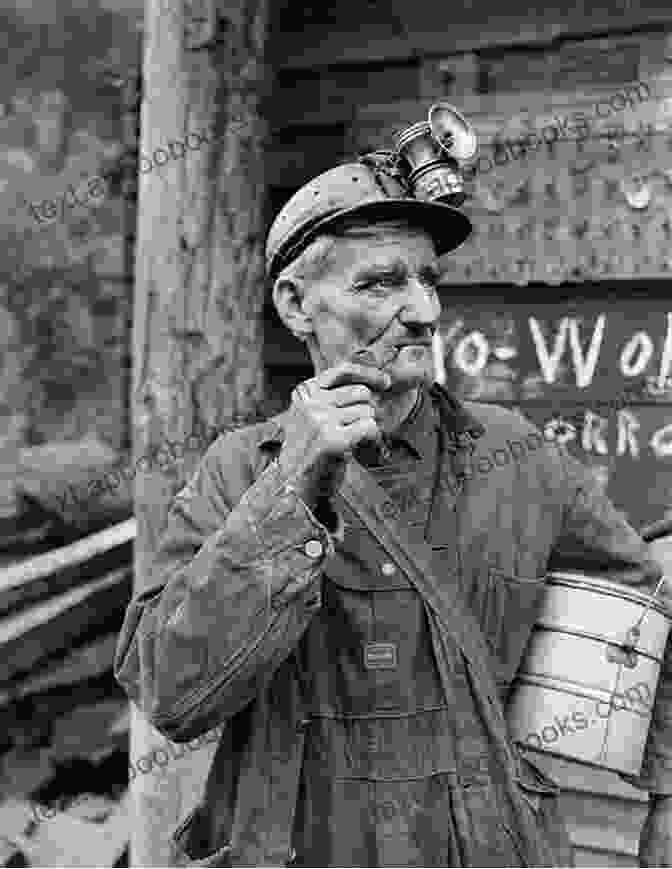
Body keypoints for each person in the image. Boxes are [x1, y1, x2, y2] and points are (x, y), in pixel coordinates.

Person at [114, 156, 672, 867]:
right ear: (295, 305)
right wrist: (291, 491)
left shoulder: (518, 457)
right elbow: (168, 690)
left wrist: (667, 793)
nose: (425, 311)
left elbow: (651, 596)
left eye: (429, 279)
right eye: (382, 282)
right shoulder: (237, 471)